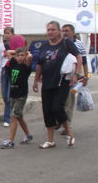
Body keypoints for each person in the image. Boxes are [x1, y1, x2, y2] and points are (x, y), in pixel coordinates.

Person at [32, 20, 82, 149]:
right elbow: (39, 64)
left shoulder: (66, 43)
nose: (50, 32)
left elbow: (78, 56)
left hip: (61, 82)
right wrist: (36, 80)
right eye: (48, 29)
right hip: (47, 82)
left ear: (59, 31)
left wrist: (76, 74)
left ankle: (68, 132)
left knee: (57, 108)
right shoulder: (44, 45)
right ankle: (50, 141)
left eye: (53, 29)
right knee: (47, 111)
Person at [0, 47, 33, 149]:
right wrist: (17, 54)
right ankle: (28, 135)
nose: (20, 57)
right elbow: (9, 52)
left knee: (14, 116)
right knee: (19, 116)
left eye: (22, 55)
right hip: (13, 94)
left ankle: (10, 141)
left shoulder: (26, 66)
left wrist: (27, 53)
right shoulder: (13, 63)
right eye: (18, 55)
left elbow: (30, 57)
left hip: (21, 95)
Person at [61, 24, 89, 136]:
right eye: (63, 31)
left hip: (73, 77)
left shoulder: (78, 44)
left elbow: (84, 61)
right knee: (60, 101)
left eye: (67, 31)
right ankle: (61, 121)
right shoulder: (60, 43)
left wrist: (85, 76)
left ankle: (67, 125)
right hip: (61, 76)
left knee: (68, 101)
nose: (65, 33)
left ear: (73, 32)